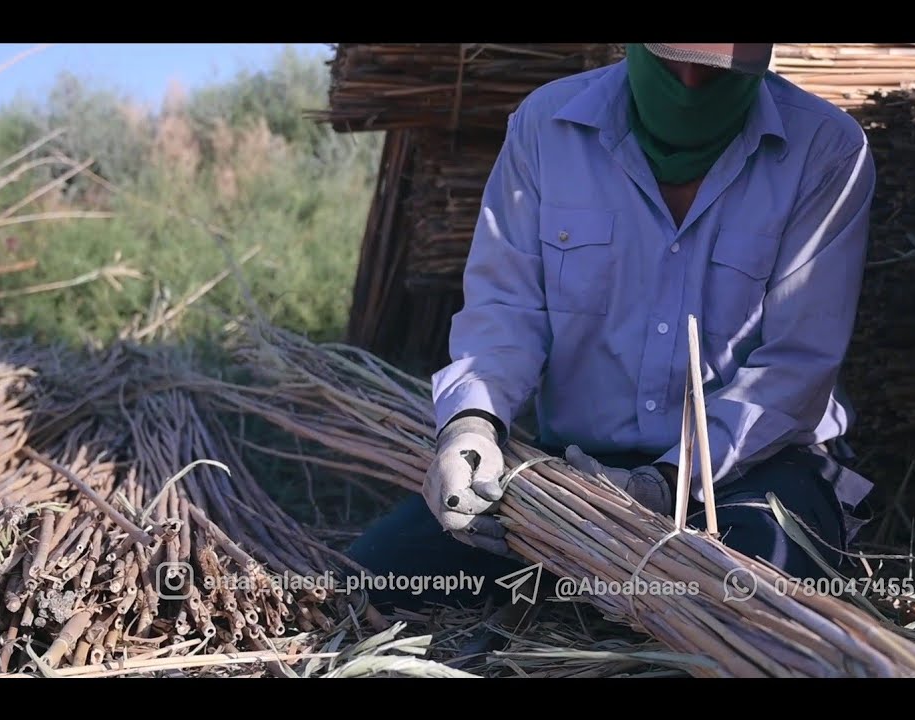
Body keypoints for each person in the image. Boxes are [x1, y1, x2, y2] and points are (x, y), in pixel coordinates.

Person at [346, 43, 876, 611]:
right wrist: (471, 428)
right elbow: (505, 313)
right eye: (672, 64)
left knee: (743, 601)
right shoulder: (547, 129)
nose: (692, 84)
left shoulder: (824, 150)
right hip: (580, 470)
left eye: (720, 73)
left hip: (750, 474)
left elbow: (795, 368)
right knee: (379, 578)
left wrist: (666, 484)